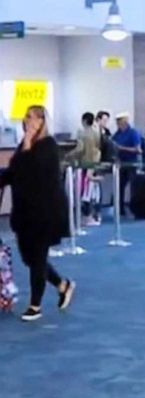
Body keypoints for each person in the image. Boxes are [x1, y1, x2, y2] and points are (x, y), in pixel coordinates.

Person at [0, 105, 75, 322]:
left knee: (38, 258)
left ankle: (35, 305)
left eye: (34, 119)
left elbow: (33, 169)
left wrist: (27, 144)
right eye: (27, 118)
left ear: (43, 122)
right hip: (24, 211)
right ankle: (63, 285)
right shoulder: (24, 146)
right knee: (30, 257)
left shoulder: (48, 146)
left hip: (45, 212)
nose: (29, 122)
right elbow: (14, 172)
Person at [65, 112, 102, 226]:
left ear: (84, 121)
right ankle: (94, 215)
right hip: (95, 163)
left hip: (85, 164)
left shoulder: (81, 133)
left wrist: (69, 155)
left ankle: (87, 216)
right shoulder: (97, 133)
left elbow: (80, 149)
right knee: (93, 192)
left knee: (84, 192)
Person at [111, 112, 143, 218]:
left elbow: (138, 150)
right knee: (119, 187)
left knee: (134, 187)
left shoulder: (133, 133)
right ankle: (120, 210)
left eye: (119, 122)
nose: (118, 125)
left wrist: (121, 148)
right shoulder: (117, 134)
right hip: (121, 164)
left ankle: (136, 209)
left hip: (131, 163)